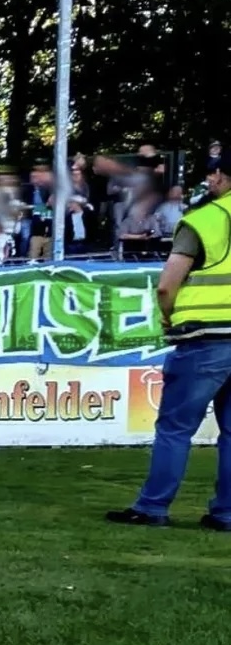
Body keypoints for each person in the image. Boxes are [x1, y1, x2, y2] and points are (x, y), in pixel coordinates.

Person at [108, 153, 231, 531]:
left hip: (204, 337)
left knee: (176, 428)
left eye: (213, 174)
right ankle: (226, 514)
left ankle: (152, 507)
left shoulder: (202, 220)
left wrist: (167, 314)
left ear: (220, 176)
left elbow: (167, 284)